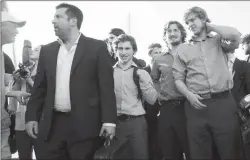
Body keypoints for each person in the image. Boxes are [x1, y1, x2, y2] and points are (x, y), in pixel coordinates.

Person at [25, 3, 117, 160]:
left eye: (58, 17)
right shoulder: (47, 51)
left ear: (73, 21)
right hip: (52, 126)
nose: (53, 21)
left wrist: (109, 121)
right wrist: (31, 116)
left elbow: (106, 88)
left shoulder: (97, 47)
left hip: (85, 127)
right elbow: (39, 89)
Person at [172, 6, 242, 160]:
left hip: (223, 103)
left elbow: (236, 35)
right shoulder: (183, 49)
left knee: (230, 151)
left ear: (203, 19)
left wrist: (209, 26)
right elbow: (178, 79)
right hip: (196, 107)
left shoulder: (219, 40)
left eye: (193, 19)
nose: (190, 24)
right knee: (200, 153)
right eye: (187, 22)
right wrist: (189, 95)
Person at [112, 34, 158, 159]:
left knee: (140, 156)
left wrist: (144, 82)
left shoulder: (141, 72)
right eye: (120, 48)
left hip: (136, 123)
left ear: (134, 51)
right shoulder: (109, 72)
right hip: (115, 124)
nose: (123, 52)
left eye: (127, 48)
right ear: (115, 50)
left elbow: (152, 100)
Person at [151, 21, 189, 160]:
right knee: (169, 151)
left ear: (182, 33)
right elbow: (154, 79)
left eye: (175, 30)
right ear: (165, 36)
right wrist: (159, 93)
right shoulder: (159, 58)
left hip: (189, 107)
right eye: (169, 31)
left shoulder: (190, 53)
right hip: (167, 109)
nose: (172, 34)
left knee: (192, 150)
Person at [1, 11, 30, 159]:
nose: (17, 31)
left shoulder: (2, 54)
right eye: (14, 27)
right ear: (2, 27)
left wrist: (12, 87)